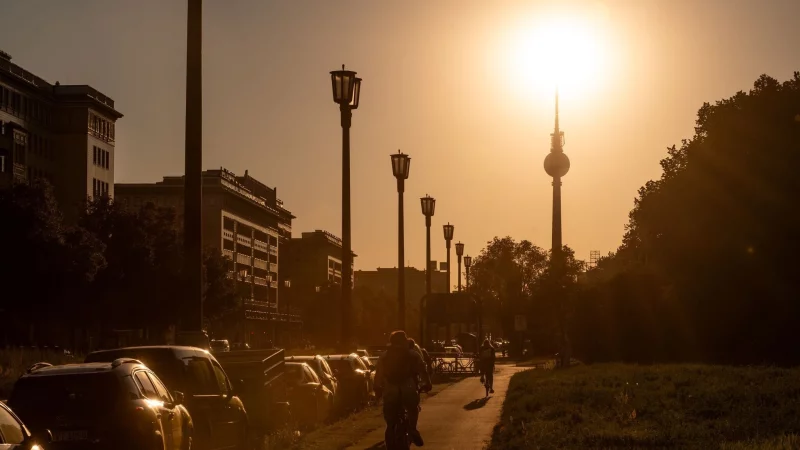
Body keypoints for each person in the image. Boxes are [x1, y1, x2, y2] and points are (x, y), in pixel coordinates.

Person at [375, 331, 432, 448]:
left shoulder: (384, 356)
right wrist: (427, 383)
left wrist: (377, 387)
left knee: (390, 418)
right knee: (412, 408)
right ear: (404, 341)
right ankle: (413, 429)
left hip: (390, 388)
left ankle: (390, 434)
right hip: (408, 386)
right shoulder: (413, 354)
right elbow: (422, 370)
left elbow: (379, 374)